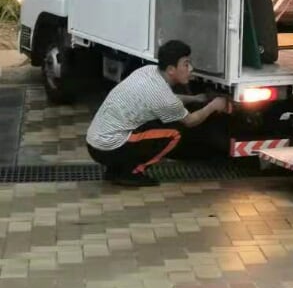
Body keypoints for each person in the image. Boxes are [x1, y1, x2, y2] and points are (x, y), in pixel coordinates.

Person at [86, 40, 228, 187]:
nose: (191, 69)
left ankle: (115, 170)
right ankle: (131, 172)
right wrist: (213, 106)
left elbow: (165, 99)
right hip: (108, 148)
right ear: (171, 69)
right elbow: (190, 121)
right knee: (174, 134)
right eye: (186, 64)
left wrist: (194, 99)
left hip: (95, 143)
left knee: (153, 125)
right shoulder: (164, 97)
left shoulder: (148, 71)